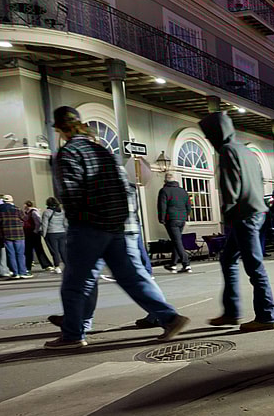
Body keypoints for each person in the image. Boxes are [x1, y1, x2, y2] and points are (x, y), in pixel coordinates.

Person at [48, 106, 188, 350]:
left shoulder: (68, 153)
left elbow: (69, 194)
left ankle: (72, 334)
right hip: (120, 224)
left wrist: (80, 221)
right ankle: (169, 318)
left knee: (76, 282)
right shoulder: (103, 151)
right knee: (132, 277)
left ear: (60, 129)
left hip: (90, 226)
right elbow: (126, 187)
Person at [199, 112, 274, 332]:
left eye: (208, 135)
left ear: (215, 133)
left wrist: (227, 213)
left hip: (243, 214)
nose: (208, 139)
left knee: (254, 267)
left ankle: (266, 315)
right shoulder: (245, 149)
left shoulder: (227, 151)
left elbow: (230, 186)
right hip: (256, 211)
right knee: (228, 259)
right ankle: (232, 312)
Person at [157, 171, 191, 273]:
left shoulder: (164, 191)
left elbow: (162, 206)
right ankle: (173, 264)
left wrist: (161, 218)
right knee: (176, 241)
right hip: (182, 219)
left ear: (165, 180)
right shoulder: (183, 191)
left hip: (171, 219)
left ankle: (186, 264)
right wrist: (186, 216)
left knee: (177, 241)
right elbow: (188, 206)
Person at [0, 194, 31, 279]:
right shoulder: (17, 210)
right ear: (11, 201)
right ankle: (22, 272)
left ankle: (15, 273)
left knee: (11, 254)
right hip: (18, 234)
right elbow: (25, 218)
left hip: (6, 235)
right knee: (20, 254)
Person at [23, 200, 53, 272]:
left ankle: (29, 266)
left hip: (32, 233)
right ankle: (30, 265)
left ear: (27, 205)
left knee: (35, 249)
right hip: (30, 233)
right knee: (32, 249)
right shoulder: (29, 212)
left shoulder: (33, 212)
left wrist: (35, 231)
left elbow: (38, 222)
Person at [41, 197, 67, 274]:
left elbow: (45, 224)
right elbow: (65, 223)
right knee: (63, 250)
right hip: (62, 232)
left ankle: (57, 266)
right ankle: (67, 265)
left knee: (54, 251)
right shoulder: (62, 211)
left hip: (52, 233)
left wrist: (44, 234)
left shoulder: (46, 212)